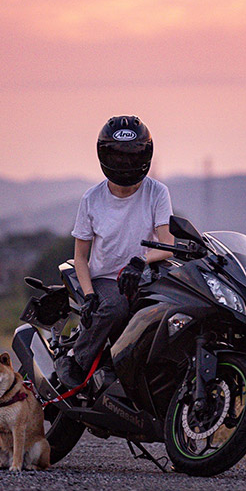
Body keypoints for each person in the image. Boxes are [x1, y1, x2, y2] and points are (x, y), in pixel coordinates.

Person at [54, 115, 174, 389]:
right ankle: (75, 359)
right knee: (116, 307)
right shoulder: (92, 199)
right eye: (117, 156)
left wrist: (141, 261)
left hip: (144, 276)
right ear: (104, 155)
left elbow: (167, 245)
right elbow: (81, 258)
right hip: (106, 280)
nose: (125, 163)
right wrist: (89, 296)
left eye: (132, 156)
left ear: (146, 155)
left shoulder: (157, 192)